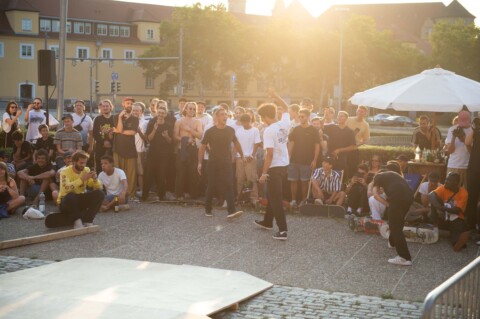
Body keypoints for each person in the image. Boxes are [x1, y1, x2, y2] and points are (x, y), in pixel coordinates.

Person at [253, 90, 290, 240]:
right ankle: (268, 222)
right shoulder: (284, 123)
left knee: (275, 199)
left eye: (262, 118)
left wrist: (263, 173)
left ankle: (283, 231)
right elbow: (286, 107)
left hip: (274, 168)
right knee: (271, 195)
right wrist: (277, 97)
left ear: (265, 117)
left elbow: (269, 154)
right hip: (284, 165)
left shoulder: (268, 130)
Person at [198, 107, 244, 218]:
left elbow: (236, 143)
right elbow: (202, 147)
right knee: (211, 185)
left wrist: (241, 155)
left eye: (226, 114)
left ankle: (231, 211)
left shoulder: (230, 130)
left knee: (229, 185)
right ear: (217, 117)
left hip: (226, 162)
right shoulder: (210, 131)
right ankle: (208, 210)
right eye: (222, 114)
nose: (225, 116)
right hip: (213, 162)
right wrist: (199, 163)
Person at [373, 169, 414, 266]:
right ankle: (392, 243)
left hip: (397, 199)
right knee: (397, 223)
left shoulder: (378, 177)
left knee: (395, 227)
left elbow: (375, 195)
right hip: (408, 198)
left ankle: (404, 257)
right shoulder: (394, 175)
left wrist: (388, 205)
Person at [57, 151, 104, 229]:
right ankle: (77, 221)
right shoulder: (64, 171)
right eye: (81, 163)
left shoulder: (86, 169)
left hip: (79, 199)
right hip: (65, 201)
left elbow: (99, 187)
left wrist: (95, 179)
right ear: (74, 162)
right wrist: (81, 179)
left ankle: (88, 220)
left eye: (85, 163)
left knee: (100, 194)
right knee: (70, 195)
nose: (83, 165)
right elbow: (66, 189)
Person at [288, 109, 320, 208]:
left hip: (307, 161)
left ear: (308, 117)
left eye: (303, 116)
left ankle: (303, 201)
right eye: (300, 116)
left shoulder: (314, 130)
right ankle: (293, 200)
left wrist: (314, 160)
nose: (301, 118)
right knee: (293, 181)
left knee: (304, 182)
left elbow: (317, 146)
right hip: (294, 160)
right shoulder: (296, 129)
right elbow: (291, 144)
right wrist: (288, 158)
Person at [429, 172, 469, 251]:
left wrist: (441, 208)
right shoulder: (443, 188)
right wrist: (438, 208)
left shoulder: (463, 192)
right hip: (443, 216)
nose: (446, 181)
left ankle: (459, 241)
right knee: (434, 198)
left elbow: (457, 210)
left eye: (449, 180)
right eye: (446, 179)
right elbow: (431, 195)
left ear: (456, 183)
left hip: (456, 219)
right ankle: (435, 226)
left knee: (455, 239)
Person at [142, 105, 174, 201]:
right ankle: (144, 196)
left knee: (162, 175)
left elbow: (170, 141)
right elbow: (149, 139)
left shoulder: (169, 125)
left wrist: (166, 136)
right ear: (156, 113)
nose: (160, 115)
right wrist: (155, 129)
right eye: (159, 112)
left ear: (165, 114)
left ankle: (161, 196)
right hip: (152, 153)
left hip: (164, 154)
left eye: (162, 113)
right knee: (148, 175)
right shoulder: (151, 123)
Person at [174, 101, 203, 199]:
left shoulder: (197, 121)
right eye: (190, 108)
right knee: (180, 173)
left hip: (192, 150)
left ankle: (193, 195)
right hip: (181, 149)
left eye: (194, 109)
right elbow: (175, 136)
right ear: (185, 109)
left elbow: (200, 135)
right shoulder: (179, 121)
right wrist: (186, 140)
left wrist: (190, 130)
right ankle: (179, 195)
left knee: (192, 172)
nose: (192, 110)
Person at [113, 97, 139, 200]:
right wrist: (120, 118)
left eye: (131, 104)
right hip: (117, 149)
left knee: (131, 175)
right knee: (118, 173)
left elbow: (132, 132)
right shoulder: (116, 117)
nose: (129, 105)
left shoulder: (135, 119)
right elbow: (118, 128)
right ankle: (118, 195)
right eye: (127, 103)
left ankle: (131, 195)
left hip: (131, 150)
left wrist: (120, 131)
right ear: (123, 105)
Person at [235, 113, 261, 205]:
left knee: (252, 178)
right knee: (240, 179)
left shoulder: (255, 130)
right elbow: (236, 144)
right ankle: (240, 198)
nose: (244, 124)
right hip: (240, 157)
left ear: (250, 121)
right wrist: (234, 155)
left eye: (246, 122)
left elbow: (256, 144)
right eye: (243, 123)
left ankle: (254, 199)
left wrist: (252, 155)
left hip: (250, 158)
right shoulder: (238, 131)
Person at [445, 110, 472, 187]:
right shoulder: (452, 129)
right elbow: (450, 151)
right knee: (450, 191)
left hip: (467, 167)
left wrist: (464, 140)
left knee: (465, 193)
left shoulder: (472, 130)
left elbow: (473, 152)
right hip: (453, 165)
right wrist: (454, 137)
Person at [326, 111, 357, 176]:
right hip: (329, 157)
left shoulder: (350, 131)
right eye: (338, 116)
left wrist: (339, 150)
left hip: (341, 159)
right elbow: (320, 125)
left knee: (337, 177)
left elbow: (353, 147)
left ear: (346, 118)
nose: (339, 118)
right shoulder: (332, 127)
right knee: (326, 177)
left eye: (341, 116)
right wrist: (325, 115)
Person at [465, 117, 480, 241]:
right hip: (475, 168)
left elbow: (467, 142)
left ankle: (470, 225)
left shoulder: (475, 131)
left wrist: (474, 129)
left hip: (474, 167)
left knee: (471, 198)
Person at [92, 99, 115, 174]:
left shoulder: (115, 118)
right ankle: (99, 184)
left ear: (111, 107)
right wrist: (103, 142)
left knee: (111, 166)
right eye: (103, 106)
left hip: (112, 147)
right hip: (100, 146)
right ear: (101, 108)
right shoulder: (98, 119)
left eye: (107, 106)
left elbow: (117, 133)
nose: (105, 108)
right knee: (99, 166)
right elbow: (95, 133)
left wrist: (110, 141)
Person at [132, 102, 148, 197]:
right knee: (131, 171)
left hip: (139, 150)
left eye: (137, 110)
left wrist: (139, 130)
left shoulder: (144, 122)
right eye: (133, 110)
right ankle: (132, 191)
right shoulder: (129, 120)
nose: (135, 112)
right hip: (129, 150)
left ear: (141, 111)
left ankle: (142, 191)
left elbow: (146, 138)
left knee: (140, 172)